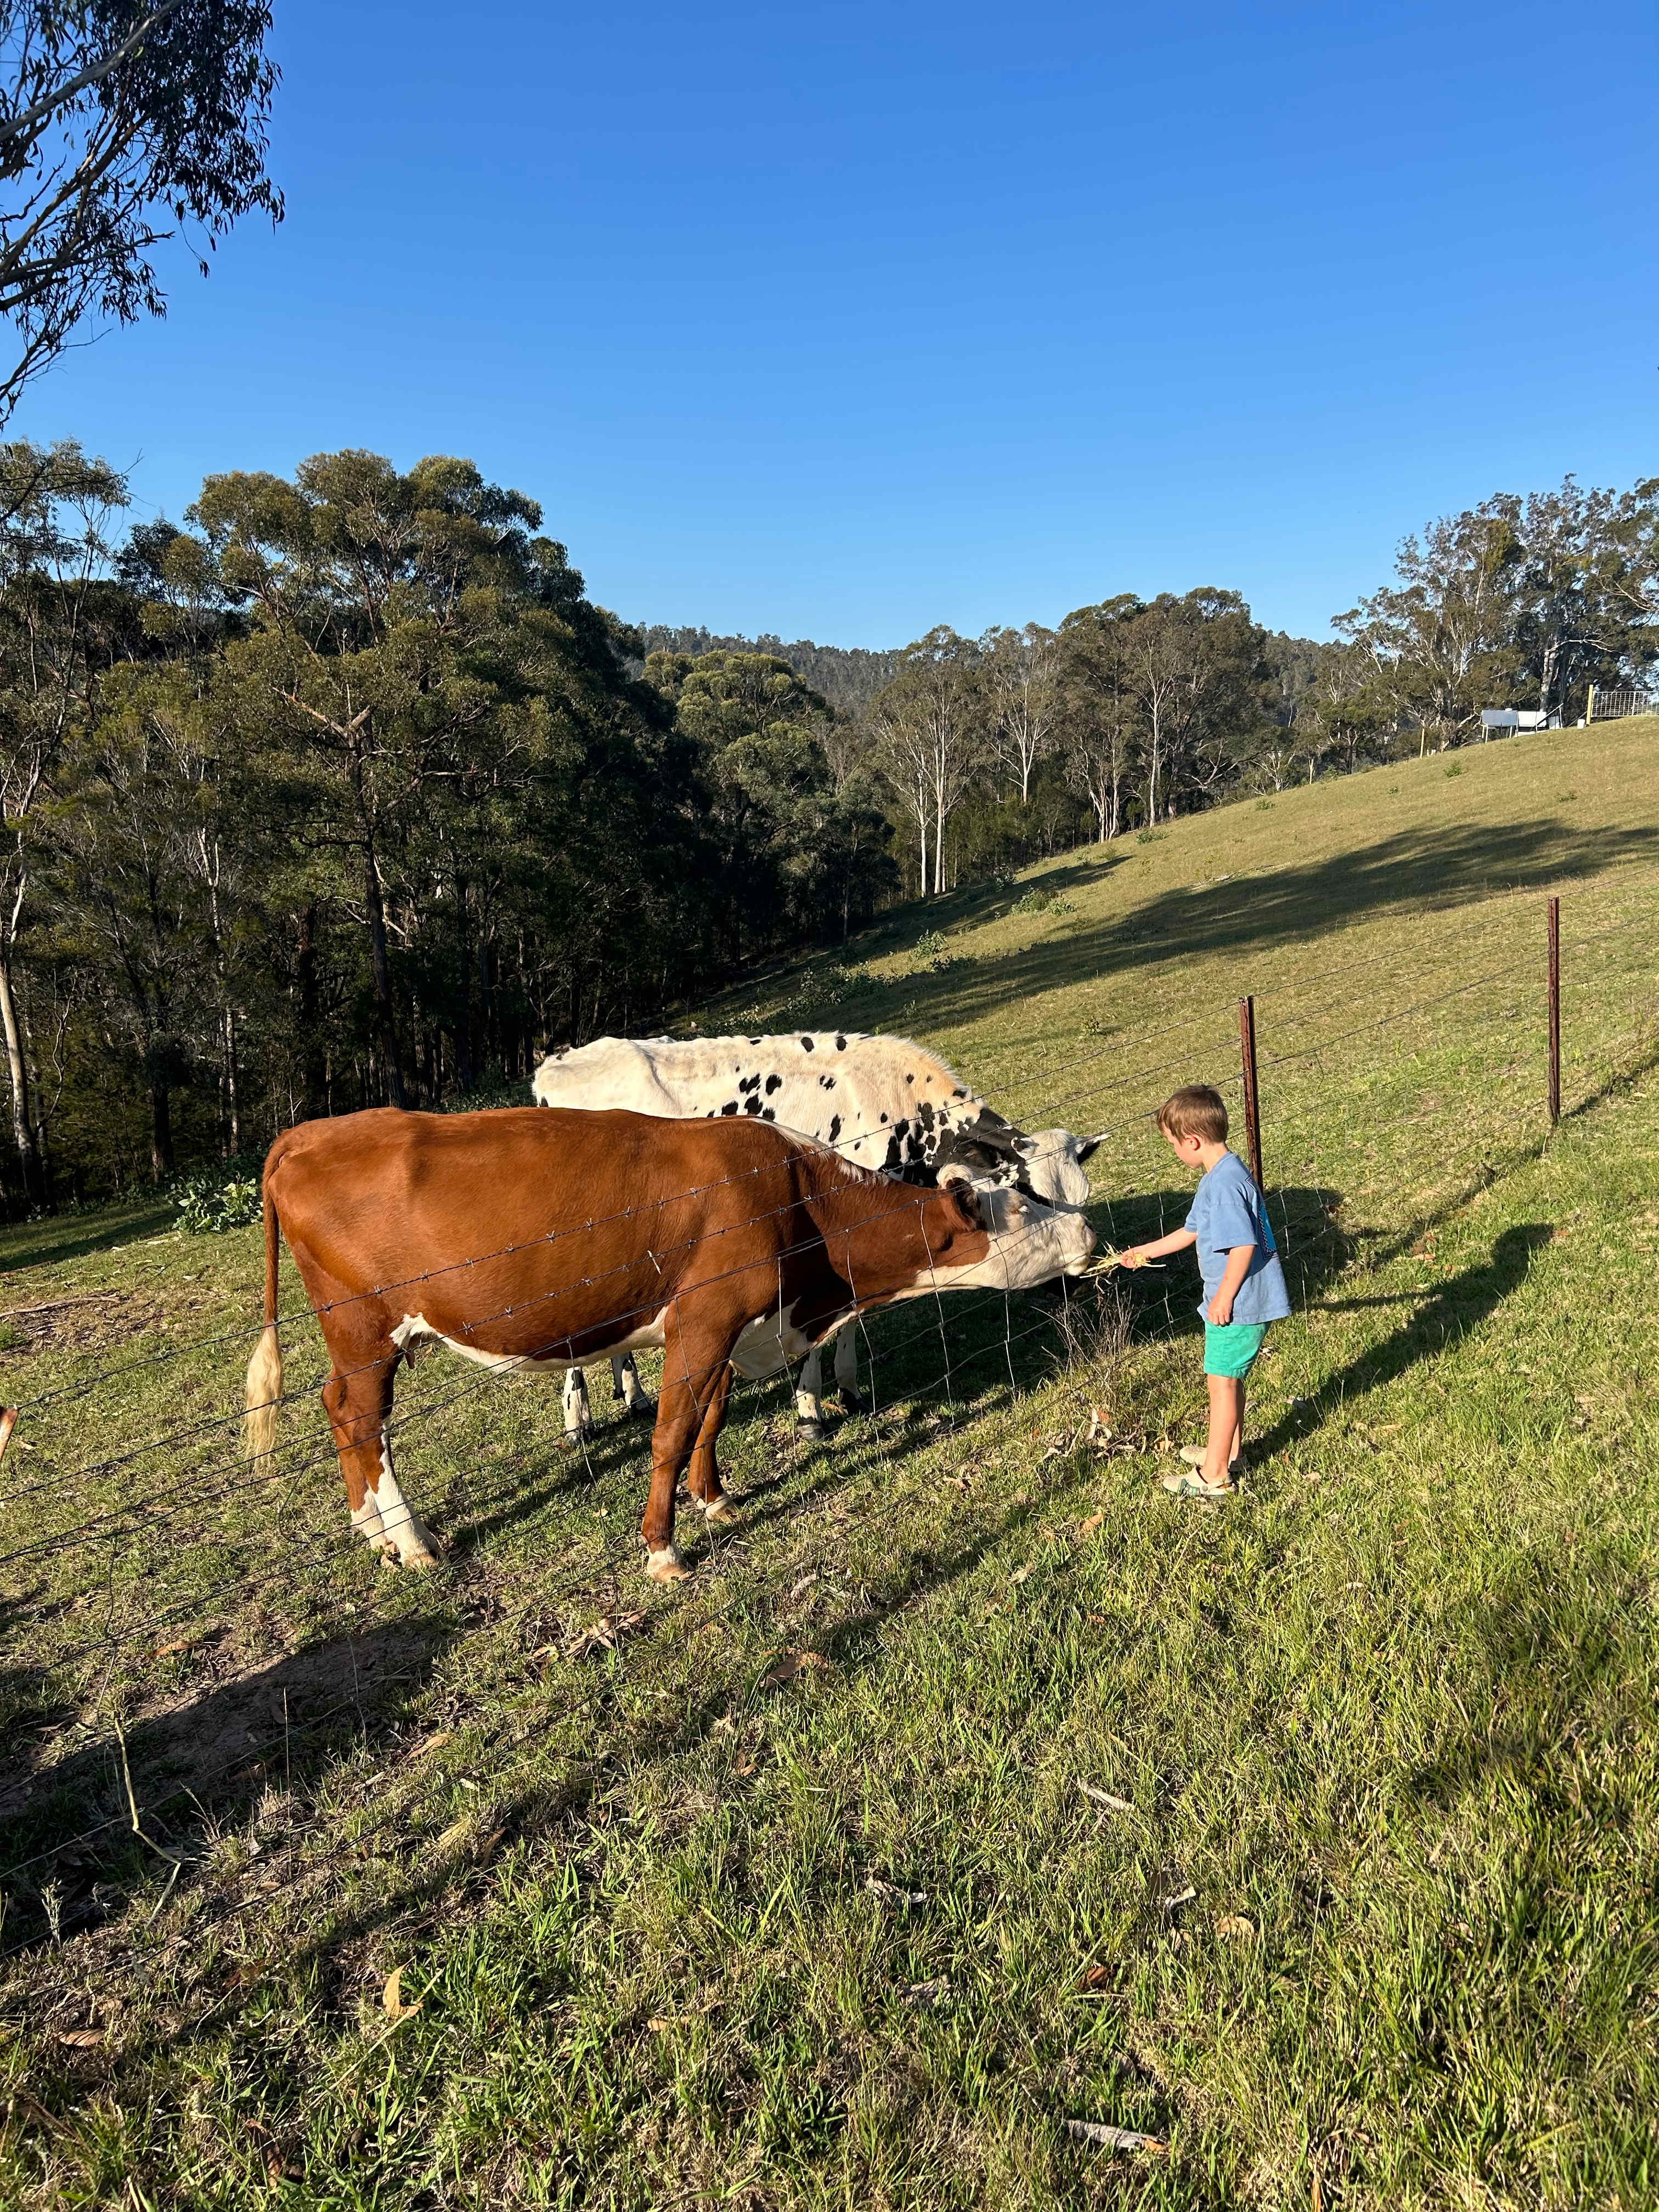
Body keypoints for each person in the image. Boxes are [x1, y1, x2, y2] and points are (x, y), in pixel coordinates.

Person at [1119, 1084, 1290, 1499]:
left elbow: (1244, 1246)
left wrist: (1224, 1297)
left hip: (1240, 1302)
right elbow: (1190, 1232)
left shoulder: (1226, 1185)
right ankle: (1230, 1453)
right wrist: (1144, 1251)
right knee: (1228, 1380)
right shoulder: (1221, 1175)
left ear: (1191, 1141)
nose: (1175, 1152)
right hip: (1238, 1298)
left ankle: (1214, 1474)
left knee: (1221, 1383)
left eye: (1173, 1145)